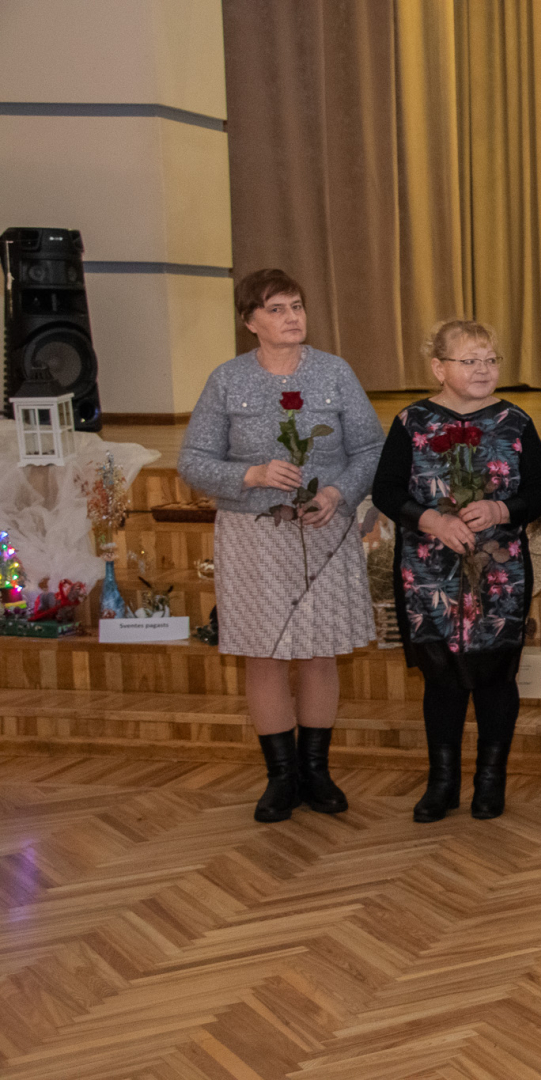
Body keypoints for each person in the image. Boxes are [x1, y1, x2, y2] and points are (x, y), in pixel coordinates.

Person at [178, 268, 384, 822]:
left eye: (296, 306)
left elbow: (371, 449)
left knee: (319, 653)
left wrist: (338, 493)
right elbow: (192, 461)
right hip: (254, 536)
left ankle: (316, 772)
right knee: (264, 655)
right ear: (250, 321)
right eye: (276, 309)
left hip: (323, 530)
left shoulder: (335, 372)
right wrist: (250, 476)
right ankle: (281, 778)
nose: (292, 317)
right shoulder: (227, 380)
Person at [371, 320, 541, 822]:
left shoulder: (516, 421)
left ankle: (490, 782)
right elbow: (387, 490)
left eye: (490, 360)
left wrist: (502, 510)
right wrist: (430, 519)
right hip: (427, 574)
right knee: (441, 680)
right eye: (469, 360)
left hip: (500, 575)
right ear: (438, 367)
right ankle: (443, 783)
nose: (483, 369)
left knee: (496, 678)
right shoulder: (411, 421)